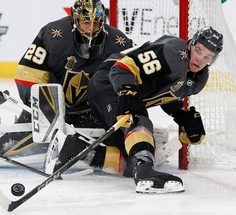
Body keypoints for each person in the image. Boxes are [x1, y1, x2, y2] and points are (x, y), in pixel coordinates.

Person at [47, 26, 223, 193]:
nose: (201, 59)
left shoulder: (198, 78)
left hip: (120, 89)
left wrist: (181, 116)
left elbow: (161, 90)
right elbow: (121, 68)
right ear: (191, 44)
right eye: (199, 51)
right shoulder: (174, 52)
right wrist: (127, 91)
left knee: (134, 159)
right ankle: (146, 174)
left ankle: (71, 149)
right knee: (137, 120)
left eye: (208, 57)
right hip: (107, 84)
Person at [14, 0, 133, 128]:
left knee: (102, 146)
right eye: (86, 22)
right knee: (12, 143)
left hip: (91, 112)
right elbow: (28, 72)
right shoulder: (52, 35)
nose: (91, 29)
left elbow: (135, 72)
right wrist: (41, 104)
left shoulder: (119, 42)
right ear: (75, 19)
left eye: (96, 23)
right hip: (48, 109)